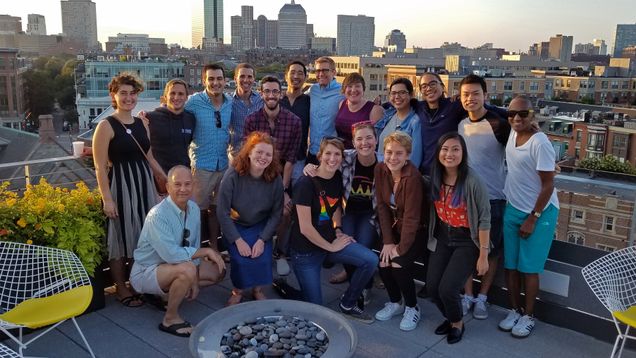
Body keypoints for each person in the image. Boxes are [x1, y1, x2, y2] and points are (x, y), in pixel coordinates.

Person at [93, 72, 166, 307]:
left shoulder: (142, 122)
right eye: (123, 93)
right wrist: (107, 199)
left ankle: (137, 282)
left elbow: (149, 156)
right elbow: (100, 166)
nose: (128, 98)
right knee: (121, 236)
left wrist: (166, 178)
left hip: (143, 184)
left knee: (142, 237)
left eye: (132, 93)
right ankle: (121, 287)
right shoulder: (106, 125)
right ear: (113, 95)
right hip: (121, 185)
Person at [290, 137, 378, 323]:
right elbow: (305, 228)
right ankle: (292, 291)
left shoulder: (338, 177)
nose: (332, 158)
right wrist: (330, 247)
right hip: (306, 253)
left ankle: (348, 302)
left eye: (337, 154)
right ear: (319, 156)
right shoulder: (304, 184)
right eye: (328, 153)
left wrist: (337, 230)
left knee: (370, 260)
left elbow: (336, 206)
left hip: (330, 242)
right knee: (317, 311)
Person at [131, 166, 226, 337]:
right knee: (187, 269)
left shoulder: (194, 208)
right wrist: (205, 252)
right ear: (168, 187)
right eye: (177, 184)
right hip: (147, 270)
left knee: (217, 272)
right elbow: (172, 255)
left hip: (173, 265)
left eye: (187, 184)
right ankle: (170, 319)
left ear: (193, 185)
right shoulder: (158, 215)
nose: (183, 189)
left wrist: (195, 282)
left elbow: (194, 243)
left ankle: (165, 295)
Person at [499, 96, 559, 338]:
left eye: (523, 114)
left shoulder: (540, 142)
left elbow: (548, 185)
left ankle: (528, 315)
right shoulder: (513, 133)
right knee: (510, 266)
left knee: (529, 268)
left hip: (539, 212)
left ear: (532, 115)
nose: (516, 118)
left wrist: (533, 217)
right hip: (513, 208)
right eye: (511, 113)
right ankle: (514, 309)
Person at [425, 133, 491, 344]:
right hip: (443, 236)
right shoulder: (435, 175)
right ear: (438, 152)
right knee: (433, 287)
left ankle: (457, 324)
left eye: (455, 149)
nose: (449, 154)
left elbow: (484, 218)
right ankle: (451, 317)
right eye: (445, 149)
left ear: (463, 153)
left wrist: (483, 254)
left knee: (448, 288)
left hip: (467, 241)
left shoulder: (472, 180)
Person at [303, 122, 380, 299]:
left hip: (370, 213)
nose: (364, 143)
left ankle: (364, 286)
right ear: (353, 142)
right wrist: (310, 166)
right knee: (345, 241)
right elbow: (328, 159)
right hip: (349, 211)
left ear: (376, 140)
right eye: (359, 139)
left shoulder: (383, 163)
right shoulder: (347, 157)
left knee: (364, 244)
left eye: (369, 138)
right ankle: (355, 283)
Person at [457, 74, 510, 320]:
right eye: (466, 94)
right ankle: (468, 294)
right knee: (467, 249)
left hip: (494, 197)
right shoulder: (460, 125)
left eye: (475, 93)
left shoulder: (499, 124)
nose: (470, 98)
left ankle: (483, 297)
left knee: (492, 251)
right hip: (467, 198)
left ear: (485, 96)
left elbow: (522, 145)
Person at [244, 75, 302, 276]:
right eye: (267, 91)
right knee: (254, 210)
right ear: (261, 94)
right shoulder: (251, 120)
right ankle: (258, 248)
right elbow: (249, 157)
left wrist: (283, 190)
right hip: (256, 178)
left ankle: (280, 253)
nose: (271, 95)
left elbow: (290, 160)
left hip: (280, 178)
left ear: (281, 93)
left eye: (275, 91)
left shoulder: (294, 121)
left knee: (286, 212)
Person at [217, 132, 284, 305]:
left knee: (262, 256)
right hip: (236, 224)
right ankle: (238, 290)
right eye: (259, 152)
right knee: (241, 258)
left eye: (268, 154)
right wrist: (238, 240)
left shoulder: (275, 178)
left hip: (260, 225)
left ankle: (257, 289)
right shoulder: (232, 175)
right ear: (249, 152)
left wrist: (262, 239)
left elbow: (277, 213)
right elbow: (222, 212)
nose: (263, 157)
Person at [374, 132, 427, 331]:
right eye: (389, 152)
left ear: (408, 156)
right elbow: (382, 207)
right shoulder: (381, 169)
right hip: (394, 228)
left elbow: (413, 218)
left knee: (397, 263)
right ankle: (396, 302)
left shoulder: (413, 177)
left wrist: (400, 248)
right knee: (382, 260)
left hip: (415, 231)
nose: (393, 158)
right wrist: (388, 242)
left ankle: (413, 307)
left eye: (399, 153)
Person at [416, 72, 507, 176]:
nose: (428, 88)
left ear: (442, 86)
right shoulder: (418, 107)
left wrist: (517, 114)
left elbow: (485, 107)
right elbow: (398, 102)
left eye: (433, 84)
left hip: (447, 174)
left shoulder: (454, 106)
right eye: (424, 86)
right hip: (424, 174)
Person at [185, 63, 232, 252]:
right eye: (211, 79)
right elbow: (172, 109)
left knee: (217, 211)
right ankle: (193, 252)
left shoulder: (230, 102)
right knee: (194, 212)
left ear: (224, 80)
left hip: (223, 165)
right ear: (204, 81)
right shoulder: (194, 101)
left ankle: (214, 248)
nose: (215, 83)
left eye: (219, 78)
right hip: (201, 166)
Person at [145, 79, 195, 173]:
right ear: (165, 96)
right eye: (172, 93)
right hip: (157, 176)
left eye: (180, 94)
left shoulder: (191, 119)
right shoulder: (150, 118)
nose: (176, 97)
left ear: (186, 97)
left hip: (182, 178)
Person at [375, 78, 423, 168]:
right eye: (393, 93)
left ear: (411, 95)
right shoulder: (387, 117)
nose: (397, 96)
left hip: (401, 177)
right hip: (383, 174)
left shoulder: (415, 122)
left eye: (402, 92)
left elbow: (415, 159)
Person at [306, 57, 344, 165]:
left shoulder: (342, 91)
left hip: (331, 156)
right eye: (318, 71)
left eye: (324, 70)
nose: (321, 74)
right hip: (313, 153)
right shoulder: (313, 90)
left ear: (334, 72)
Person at [280, 61, 311, 186]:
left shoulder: (309, 102)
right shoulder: (277, 100)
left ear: (305, 77)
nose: (296, 76)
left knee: (296, 200)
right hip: (276, 160)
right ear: (286, 76)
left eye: (300, 73)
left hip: (299, 159)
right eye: (292, 73)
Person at [335, 72, 384, 149]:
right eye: (349, 86)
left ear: (363, 89)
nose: (353, 90)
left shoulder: (374, 110)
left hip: (362, 156)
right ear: (344, 89)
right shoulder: (342, 104)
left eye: (357, 86)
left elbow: (377, 141)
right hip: (342, 155)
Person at [230, 63, 263, 155]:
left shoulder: (261, 100)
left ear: (254, 79)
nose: (246, 80)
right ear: (235, 79)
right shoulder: (228, 101)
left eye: (249, 77)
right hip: (236, 153)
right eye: (242, 76)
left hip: (256, 154)